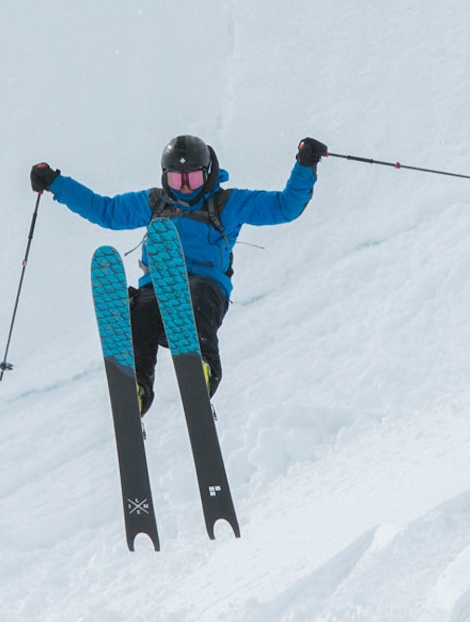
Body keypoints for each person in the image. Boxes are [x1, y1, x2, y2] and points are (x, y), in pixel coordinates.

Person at [30, 134, 325, 414]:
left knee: (195, 298)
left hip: (205, 287)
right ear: (164, 175)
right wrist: (56, 183)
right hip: (156, 289)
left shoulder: (228, 204)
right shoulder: (154, 203)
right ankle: (136, 386)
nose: (184, 186)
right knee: (140, 311)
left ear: (207, 173)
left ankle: (202, 370)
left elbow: (283, 207)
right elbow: (105, 211)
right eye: (176, 178)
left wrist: (305, 165)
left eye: (193, 178)